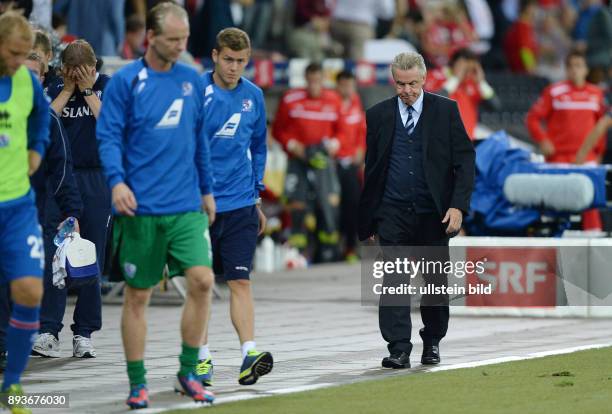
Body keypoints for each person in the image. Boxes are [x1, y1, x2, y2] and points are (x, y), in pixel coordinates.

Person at [96, 2, 216, 409]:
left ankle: (187, 370)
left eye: (185, 38)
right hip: (141, 209)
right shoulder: (126, 81)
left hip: (185, 206)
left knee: (202, 281)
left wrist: (207, 190)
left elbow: (199, 138)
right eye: (174, 40)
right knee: (138, 296)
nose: (182, 46)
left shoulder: (193, 79)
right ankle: (137, 382)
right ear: (151, 38)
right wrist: (116, 183)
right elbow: (108, 137)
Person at [358, 51, 475, 369]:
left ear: (424, 79)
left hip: (433, 213)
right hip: (392, 211)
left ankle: (433, 340)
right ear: (392, 81)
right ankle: (398, 347)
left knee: (435, 281)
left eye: (412, 83)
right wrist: (369, 218)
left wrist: (458, 206)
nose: (407, 90)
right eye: (400, 84)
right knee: (394, 279)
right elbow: (374, 169)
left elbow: (464, 161)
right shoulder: (378, 115)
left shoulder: (446, 111)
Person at [195, 27, 273, 388]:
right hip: (200, 205)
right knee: (201, 284)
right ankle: (200, 359)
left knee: (240, 280)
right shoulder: (197, 91)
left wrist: (257, 194)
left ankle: (249, 354)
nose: (234, 67)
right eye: (228, 59)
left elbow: (259, 146)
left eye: (241, 61)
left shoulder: (254, 96)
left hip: (242, 203)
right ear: (214, 56)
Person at [32, 39, 110, 359]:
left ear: (94, 67)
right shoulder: (53, 87)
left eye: (86, 70)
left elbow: (112, 127)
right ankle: (49, 329)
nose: (80, 76)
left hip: (95, 176)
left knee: (90, 253)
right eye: (72, 71)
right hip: (59, 176)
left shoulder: (107, 85)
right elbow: (43, 123)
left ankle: (85, 332)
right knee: (55, 253)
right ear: (62, 69)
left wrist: (89, 90)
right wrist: (66, 89)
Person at [0, 11, 50, 413]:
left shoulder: (28, 82)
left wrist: (36, 150)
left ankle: (12, 385)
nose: (19, 60)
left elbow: (41, 124)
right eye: (13, 53)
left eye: (24, 54)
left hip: (17, 206)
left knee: (30, 290)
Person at [526, 49, 605, 230]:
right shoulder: (554, 91)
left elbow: (602, 126)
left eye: (578, 66)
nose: (574, 70)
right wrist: (543, 140)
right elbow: (532, 119)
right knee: (555, 202)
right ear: (566, 69)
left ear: (586, 69)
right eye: (570, 66)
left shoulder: (597, 94)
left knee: (592, 202)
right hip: (558, 158)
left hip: (587, 158)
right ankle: (553, 238)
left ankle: (596, 245)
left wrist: (598, 152)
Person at [272, 62, 343, 262]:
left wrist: (335, 144)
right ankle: (297, 252)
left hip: (322, 160)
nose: (314, 85)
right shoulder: (290, 99)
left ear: (323, 79)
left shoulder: (333, 99)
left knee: (328, 203)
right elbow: (278, 130)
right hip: (298, 159)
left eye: (318, 80)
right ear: (305, 79)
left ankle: (328, 251)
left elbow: (341, 131)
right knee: (297, 203)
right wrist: (292, 144)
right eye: (310, 81)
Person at [426, 48, 500, 139]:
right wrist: (456, 78)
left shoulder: (472, 83)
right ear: (454, 63)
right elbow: (433, 102)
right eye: (465, 68)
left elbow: (494, 106)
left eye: (472, 69)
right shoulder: (435, 76)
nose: (468, 72)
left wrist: (481, 82)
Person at [335, 70, 365, 262]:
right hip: (333, 164)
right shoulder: (331, 104)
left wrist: (361, 151)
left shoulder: (356, 102)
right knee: (331, 206)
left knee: (353, 204)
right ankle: (330, 247)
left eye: (351, 85)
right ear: (338, 86)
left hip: (352, 164)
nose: (348, 89)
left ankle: (351, 247)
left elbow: (362, 131)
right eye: (344, 85)